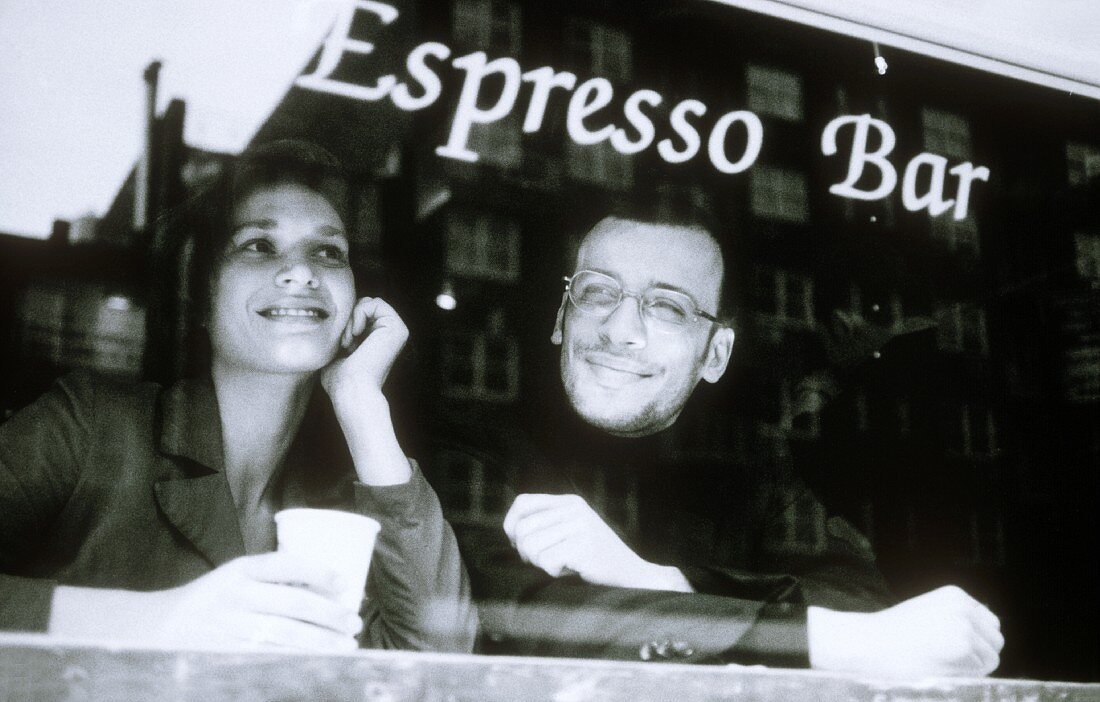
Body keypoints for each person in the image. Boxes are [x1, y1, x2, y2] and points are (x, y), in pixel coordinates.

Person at [460, 210, 1004, 677]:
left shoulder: (755, 476)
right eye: (598, 291)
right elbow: (523, 625)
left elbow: (857, 599)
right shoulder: (477, 453)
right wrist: (826, 641)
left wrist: (661, 581)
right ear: (562, 315)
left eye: (667, 307)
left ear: (715, 355)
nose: (620, 328)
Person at [0, 140, 476, 652]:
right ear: (202, 293)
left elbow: (436, 661)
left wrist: (360, 402)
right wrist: (160, 619)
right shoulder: (90, 426)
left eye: (328, 251)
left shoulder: (343, 507)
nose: (303, 271)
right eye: (259, 245)